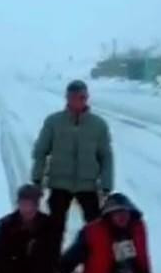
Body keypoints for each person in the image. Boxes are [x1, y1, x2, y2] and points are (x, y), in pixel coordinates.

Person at [31, 79, 114, 259]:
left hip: (88, 186)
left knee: (95, 229)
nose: (79, 100)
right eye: (75, 97)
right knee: (55, 229)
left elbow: (106, 156)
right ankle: (52, 269)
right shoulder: (54, 122)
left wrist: (106, 184)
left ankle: (95, 266)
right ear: (67, 98)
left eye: (83, 97)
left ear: (87, 98)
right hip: (59, 183)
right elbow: (41, 151)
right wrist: (37, 180)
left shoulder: (98, 125)